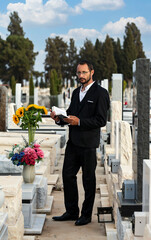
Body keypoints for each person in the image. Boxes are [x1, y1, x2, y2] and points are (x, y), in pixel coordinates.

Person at [50, 60, 110, 226]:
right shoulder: (76, 93)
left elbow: (101, 120)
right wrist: (59, 119)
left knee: (88, 180)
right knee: (67, 175)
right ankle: (71, 211)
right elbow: (70, 115)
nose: (81, 76)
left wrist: (80, 122)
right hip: (73, 142)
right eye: (78, 73)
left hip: (89, 144)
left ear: (92, 72)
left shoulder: (101, 93)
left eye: (84, 72)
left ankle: (85, 215)